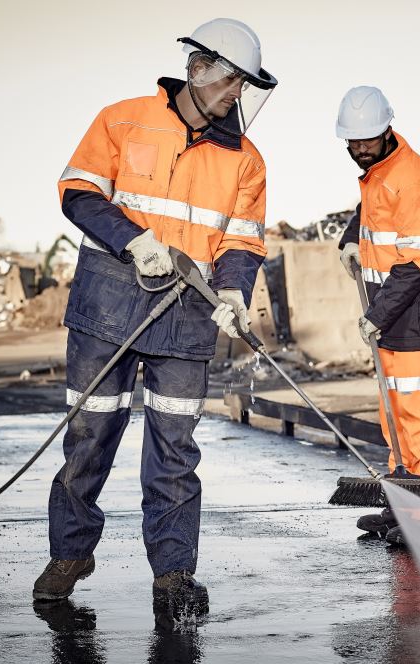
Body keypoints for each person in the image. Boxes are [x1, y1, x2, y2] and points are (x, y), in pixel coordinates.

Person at [32, 18, 276, 624]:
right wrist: (133, 240)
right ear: (196, 68)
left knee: (175, 451)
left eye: (243, 85)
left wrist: (233, 291)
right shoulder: (123, 119)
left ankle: (174, 573)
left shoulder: (246, 161)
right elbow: (78, 192)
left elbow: (243, 240)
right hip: (109, 305)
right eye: (228, 80)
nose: (235, 94)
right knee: (89, 436)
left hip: (187, 315)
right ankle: (70, 554)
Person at [335, 86, 420, 546]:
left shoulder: (417, 182)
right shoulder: (380, 173)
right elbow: (369, 212)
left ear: (388, 130)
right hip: (395, 318)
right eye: (352, 142)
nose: (360, 149)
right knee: (393, 415)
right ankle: (402, 505)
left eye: (367, 140)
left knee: (417, 415)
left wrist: (376, 315)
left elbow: (415, 265)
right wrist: (350, 239)